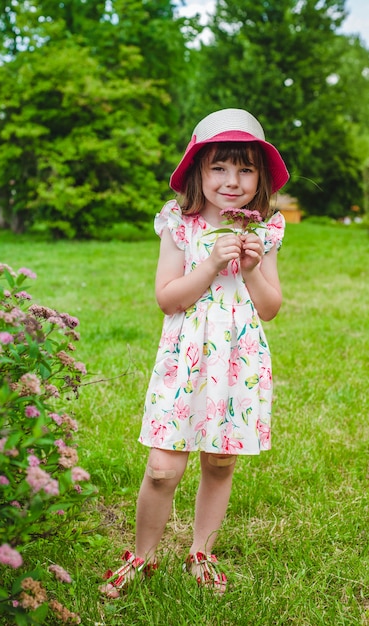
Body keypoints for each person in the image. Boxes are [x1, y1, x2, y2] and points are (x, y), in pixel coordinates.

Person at [100, 108, 289, 597]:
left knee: (220, 463)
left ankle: (200, 551)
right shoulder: (179, 224)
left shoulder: (263, 228)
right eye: (220, 168)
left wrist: (249, 268)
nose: (233, 181)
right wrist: (209, 265)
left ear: (260, 177)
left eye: (246, 169)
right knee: (163, 468)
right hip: (185, 359)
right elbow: (168, 297)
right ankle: (141, 556)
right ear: (199, 171)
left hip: (237, 360)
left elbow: (270, 308)